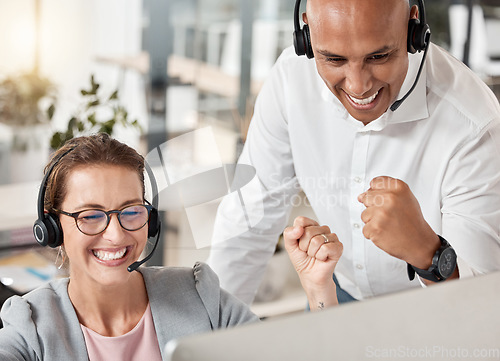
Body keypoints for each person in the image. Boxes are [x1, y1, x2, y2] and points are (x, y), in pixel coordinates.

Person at [207, 0, 500, 305]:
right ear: (307, 35)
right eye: (333, 59)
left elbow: (480, 305)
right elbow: (249, 216)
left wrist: (428, 252)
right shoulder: (291, 78)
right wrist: (209, 333)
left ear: (413, 30)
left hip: (432, 311)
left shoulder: (474, 124)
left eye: (379, 56)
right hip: (337, 294)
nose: (358, 86)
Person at [0, 134, 259, 360]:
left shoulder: (201, 297)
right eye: (90, 216)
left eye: (132, 211)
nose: (115, 235)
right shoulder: (31, 326)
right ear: (53, 227)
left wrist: (303, 279)